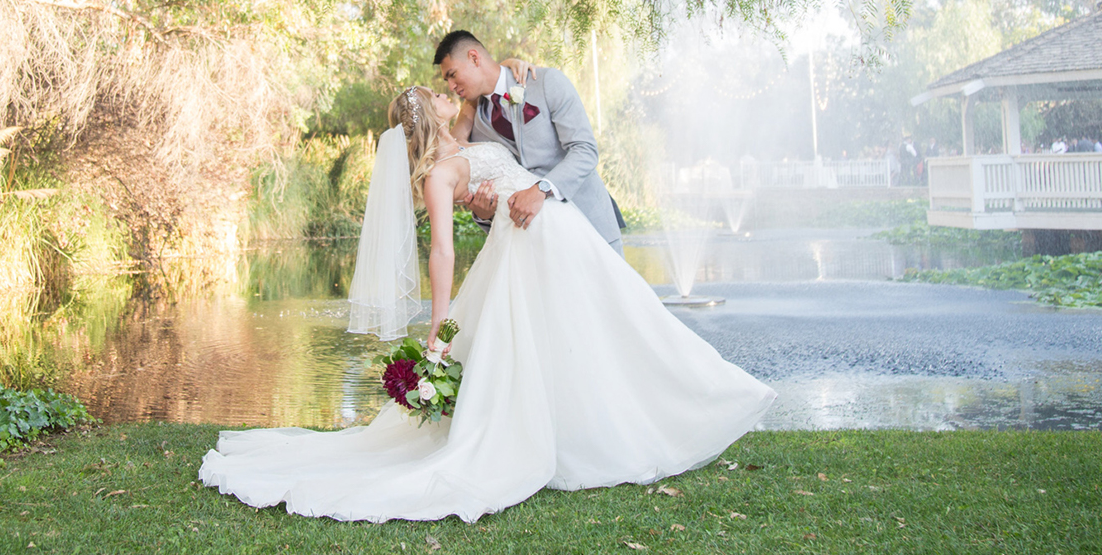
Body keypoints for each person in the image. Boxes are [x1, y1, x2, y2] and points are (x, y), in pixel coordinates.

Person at [198, 86, 776, 523]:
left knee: (624, 323)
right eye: (437, 93)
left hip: (559, 236)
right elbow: (442, 255)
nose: (450, 93)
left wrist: (515, 85)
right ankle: (636, 425)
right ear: (427, 114)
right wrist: (438, 332)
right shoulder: (437, 175)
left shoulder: (469, 146)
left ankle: (695, 400)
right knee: (589, 333)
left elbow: (494, 163)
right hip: (530, 254)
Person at [436, 29, 625, 253]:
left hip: (592, 225)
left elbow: (585, 150)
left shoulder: (545, 82)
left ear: (474, 58)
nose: (451, 86)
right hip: (539, 247)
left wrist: (541, 189)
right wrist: (483, 214)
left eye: (452, 74)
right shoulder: (475, 127)